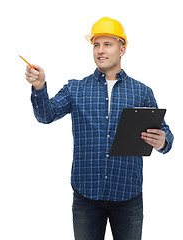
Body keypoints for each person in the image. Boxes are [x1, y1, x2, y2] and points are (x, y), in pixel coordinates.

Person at [25, 17, 174, 240]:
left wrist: (162, 142)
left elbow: (165, 134)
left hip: (128, 196)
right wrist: (39, 87)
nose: (100, 51)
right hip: (86, 197)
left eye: (107, 44)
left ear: (122, 49)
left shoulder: (142, 92)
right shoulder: (76, 89)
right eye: (96, 44)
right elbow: (46, 115)